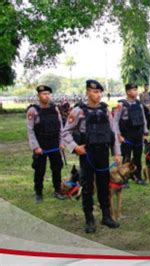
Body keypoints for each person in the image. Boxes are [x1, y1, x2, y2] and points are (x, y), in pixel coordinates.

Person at [62, 80, 121, 233]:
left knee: (103, 185)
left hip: (103, 153)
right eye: (95, 92)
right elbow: (65, 132)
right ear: (87, 92)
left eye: (100, 92)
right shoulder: (78, 111)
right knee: (87, 187)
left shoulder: (105, 111)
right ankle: (89, 219)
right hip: (87, 154)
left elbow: (113, 132)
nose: (98, 95)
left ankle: (106, 216)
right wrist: (75, 147)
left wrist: (117, 153)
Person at [26, 85, 66, 203]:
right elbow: (30, 130)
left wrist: (61, 142)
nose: (46, 96)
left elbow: (60, 127)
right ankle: (38, 193)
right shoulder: (33, 110)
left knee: (57, 168)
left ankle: (57, 190)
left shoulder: (55, 109)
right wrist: (35, 147)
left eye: (48, 93)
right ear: (38, 96)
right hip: (41, 145)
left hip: (54, 144)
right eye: (44, 94)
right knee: (40, 170)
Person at [114, 83, 149, 185]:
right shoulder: (121, 105)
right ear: (128, 91)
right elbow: (115, 121)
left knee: (137, 157)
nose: (136, 92)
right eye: (133, 90)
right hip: (127, 135)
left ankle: (137, 176)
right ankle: (124, 180)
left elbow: (143, 118)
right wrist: (118, 135)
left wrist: (145, 130)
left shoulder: (139, 104)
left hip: (138, 135)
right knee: (126, 158)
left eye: (136, 89)